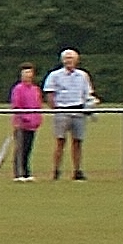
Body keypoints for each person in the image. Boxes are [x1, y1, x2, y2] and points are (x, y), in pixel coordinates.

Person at [42, 48, 96, 180]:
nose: (68, 61)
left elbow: (87, 93)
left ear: (76, 60)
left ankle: (77, 171)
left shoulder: (83, 76)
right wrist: (55, 108)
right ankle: (56, 171)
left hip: (78, 111)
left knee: (78, 142)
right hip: (62, 111)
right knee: (60, 141)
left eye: (71, 58)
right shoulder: (55, 75)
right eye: (66, 58)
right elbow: (49, 94)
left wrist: (90, 104)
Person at [6, 64, 43, 181]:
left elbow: (38, 105)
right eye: (25, 73)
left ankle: (27, 172)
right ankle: (18, 173)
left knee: (28, 149)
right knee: (20, 149)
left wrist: (37, 119)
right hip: (21, 124)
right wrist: (24, 118)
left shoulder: (35, 89)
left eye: (29, 72)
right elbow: (16, 105)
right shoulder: (18, 89)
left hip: (32, 125)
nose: (28, 75)